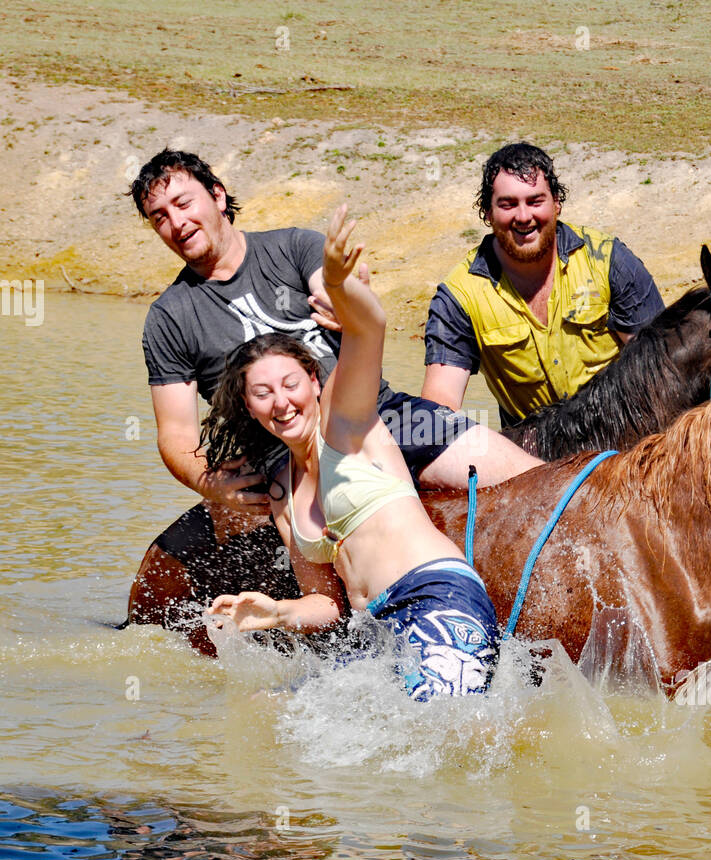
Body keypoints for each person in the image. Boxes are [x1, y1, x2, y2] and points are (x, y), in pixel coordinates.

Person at [125, 150, 537, 644]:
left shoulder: (293, 248)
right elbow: (175, 433)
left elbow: (344, 297)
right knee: (327, 599)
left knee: (528, 478)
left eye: (183, 203)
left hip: (373, 414)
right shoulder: (170, 317)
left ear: (217, 196)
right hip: (288, 454)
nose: (176, 222)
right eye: (159, 218)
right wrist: (212, 484)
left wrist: (348, 298)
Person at [203, 207, 501, 700]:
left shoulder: (344, 423)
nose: (281, 402)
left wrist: (341, 285)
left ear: (314, 381)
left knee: (435, 733)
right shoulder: (283, 492)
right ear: (248, 408)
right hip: (374, 631)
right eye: (262, 393)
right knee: (274, 710)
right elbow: (327, 603)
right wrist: (277, 612)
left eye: (290, 383)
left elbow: (370, 328)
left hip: (434, 597)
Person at [422, 142, 668, 428]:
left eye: (535, 201)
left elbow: (659, 372)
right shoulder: (460, 295)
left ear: (556, 204)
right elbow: (440, 406)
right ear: (487, 213)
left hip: (621, 436)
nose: (524, 217)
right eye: (508, 204)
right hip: (530, 454)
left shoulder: (608, 261)